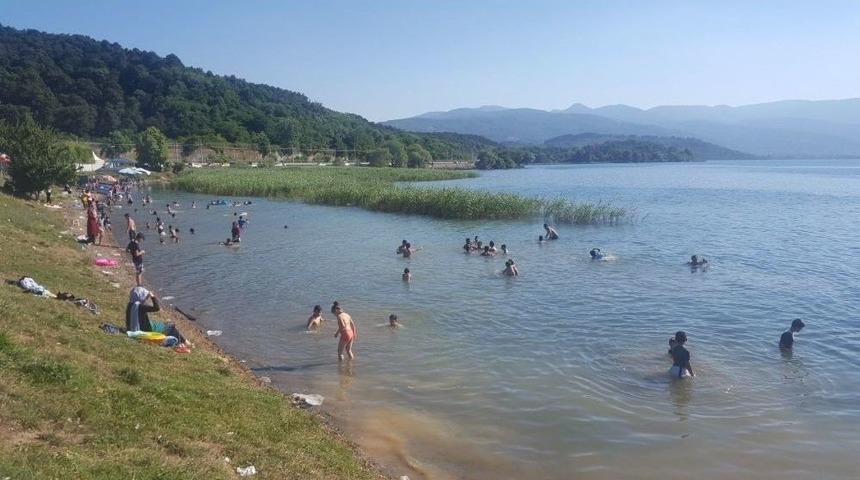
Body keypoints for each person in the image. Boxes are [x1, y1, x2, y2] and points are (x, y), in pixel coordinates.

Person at [125, 287, 189, 344]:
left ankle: (183, 341)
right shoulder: (140, 306)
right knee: (171, 327)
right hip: (146, 329)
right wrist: (153, 296)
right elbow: (156, 308)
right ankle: (185, 342)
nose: (146, 299)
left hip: (132, 328)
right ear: (140, 296)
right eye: (145, 296)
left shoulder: (130, 304)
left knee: (165, 323)